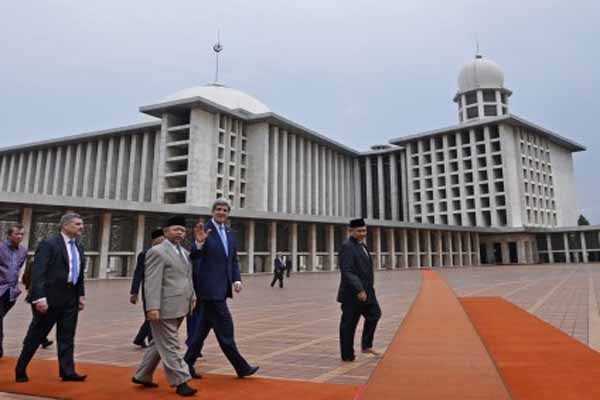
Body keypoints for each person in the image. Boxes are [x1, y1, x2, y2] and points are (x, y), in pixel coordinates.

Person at [184, 199, 259, 379]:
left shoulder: (230, 233)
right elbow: (194, 255)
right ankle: (241, 367)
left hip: (221, 288)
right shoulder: (205, 231)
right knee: (225, 328)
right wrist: (199, 243)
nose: (221, 212)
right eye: (218, 209)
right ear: (212, 211)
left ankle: (185, 365)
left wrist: (236, 279)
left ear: (228, 213)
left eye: (225, 210)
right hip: (209, 289)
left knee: (200, 331)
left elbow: (232, 260)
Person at [15, 213, 87, 382]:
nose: (81, 227)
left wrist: (81, 294)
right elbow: (38, 273)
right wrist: (39, 297)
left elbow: (79, 273)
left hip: (71, 296)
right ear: (65, 225)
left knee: (67, 335)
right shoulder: (49, 244)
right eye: (77, 224)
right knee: (37, 334)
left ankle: (68, 372)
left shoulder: (79, 246)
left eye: (81, 224)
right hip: (50, 297)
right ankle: (21, 368)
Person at [132, 216, 198, 397]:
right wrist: (152, 307)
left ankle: (143, 375)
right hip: (163, 306)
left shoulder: (184, 253)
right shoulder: (157, 252)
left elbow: (187, 278)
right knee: (171, 345)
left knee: (158, 342)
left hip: (181, 305)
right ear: (166, 231)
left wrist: (192, 296)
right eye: (176, 229)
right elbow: (151, 281)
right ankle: (181, 381)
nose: (180, 233)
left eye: (183, 230)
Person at [337, 218, 382, 362]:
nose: (363, 233)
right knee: (349, 324)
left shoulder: (362, 246)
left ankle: (366, 345)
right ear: (351, 231)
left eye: (364, 230)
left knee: (374, 314)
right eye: (359, 231)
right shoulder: (348, 246)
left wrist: (368, 289)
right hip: (353, 294)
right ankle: (347, 355)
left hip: (367, 291)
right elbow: (348, 271)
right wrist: (359, 289)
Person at [130, 228, 164, 348]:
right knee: (150, 316)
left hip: (161, 289)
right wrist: (134, 292)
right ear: (154, 240)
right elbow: (138, 273)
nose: (162, 242)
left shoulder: (164, 252)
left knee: (155, 316)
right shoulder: (144, 254)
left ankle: (143, 339)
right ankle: (148, 340)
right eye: (160, 240)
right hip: (148, 289)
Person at [0, 224, 28, 358]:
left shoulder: (22, 251)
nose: (20, 236)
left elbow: (18, 268)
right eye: (17, 234)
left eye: (22, 234)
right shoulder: (1, 247)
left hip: (11, 292)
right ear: (9, 235)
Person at [21, 259, 54, 350]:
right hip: (38, 294)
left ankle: (42, 339)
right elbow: (26, 277)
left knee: (40, 319)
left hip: (35, 293)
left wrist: (28, 288)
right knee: (38, 319)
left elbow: (25, 277)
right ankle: (30, 340)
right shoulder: (39, 262)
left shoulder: (33, 261)